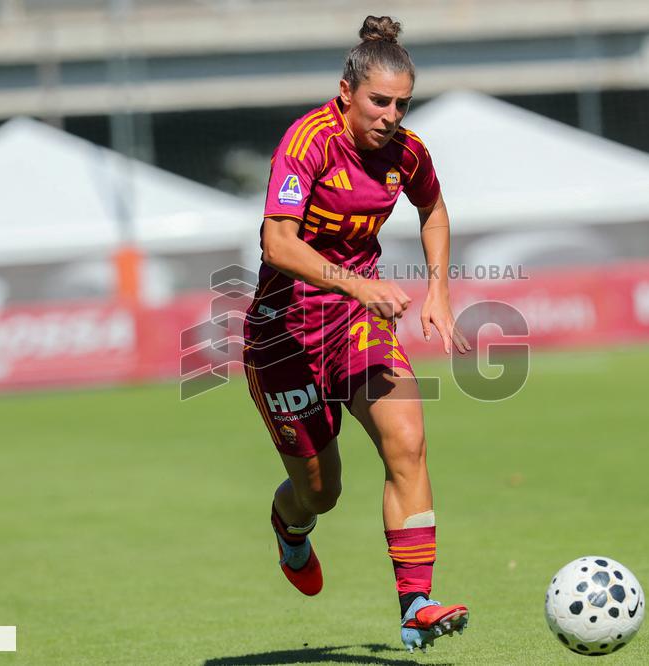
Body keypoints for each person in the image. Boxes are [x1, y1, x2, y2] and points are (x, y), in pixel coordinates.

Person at [242, 15, 471, 653]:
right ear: (346, 92)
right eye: (379, 101)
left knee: (408, 439)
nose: (391, 115)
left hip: (355, 324)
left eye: (402, 103)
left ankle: (416, 604)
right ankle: (290, 528)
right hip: (284, 334)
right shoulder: (307, 142)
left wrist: (440, 291)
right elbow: (277, 243)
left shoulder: (408, 153)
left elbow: (434, 209)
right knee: (322, 491)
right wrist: (357, 282)